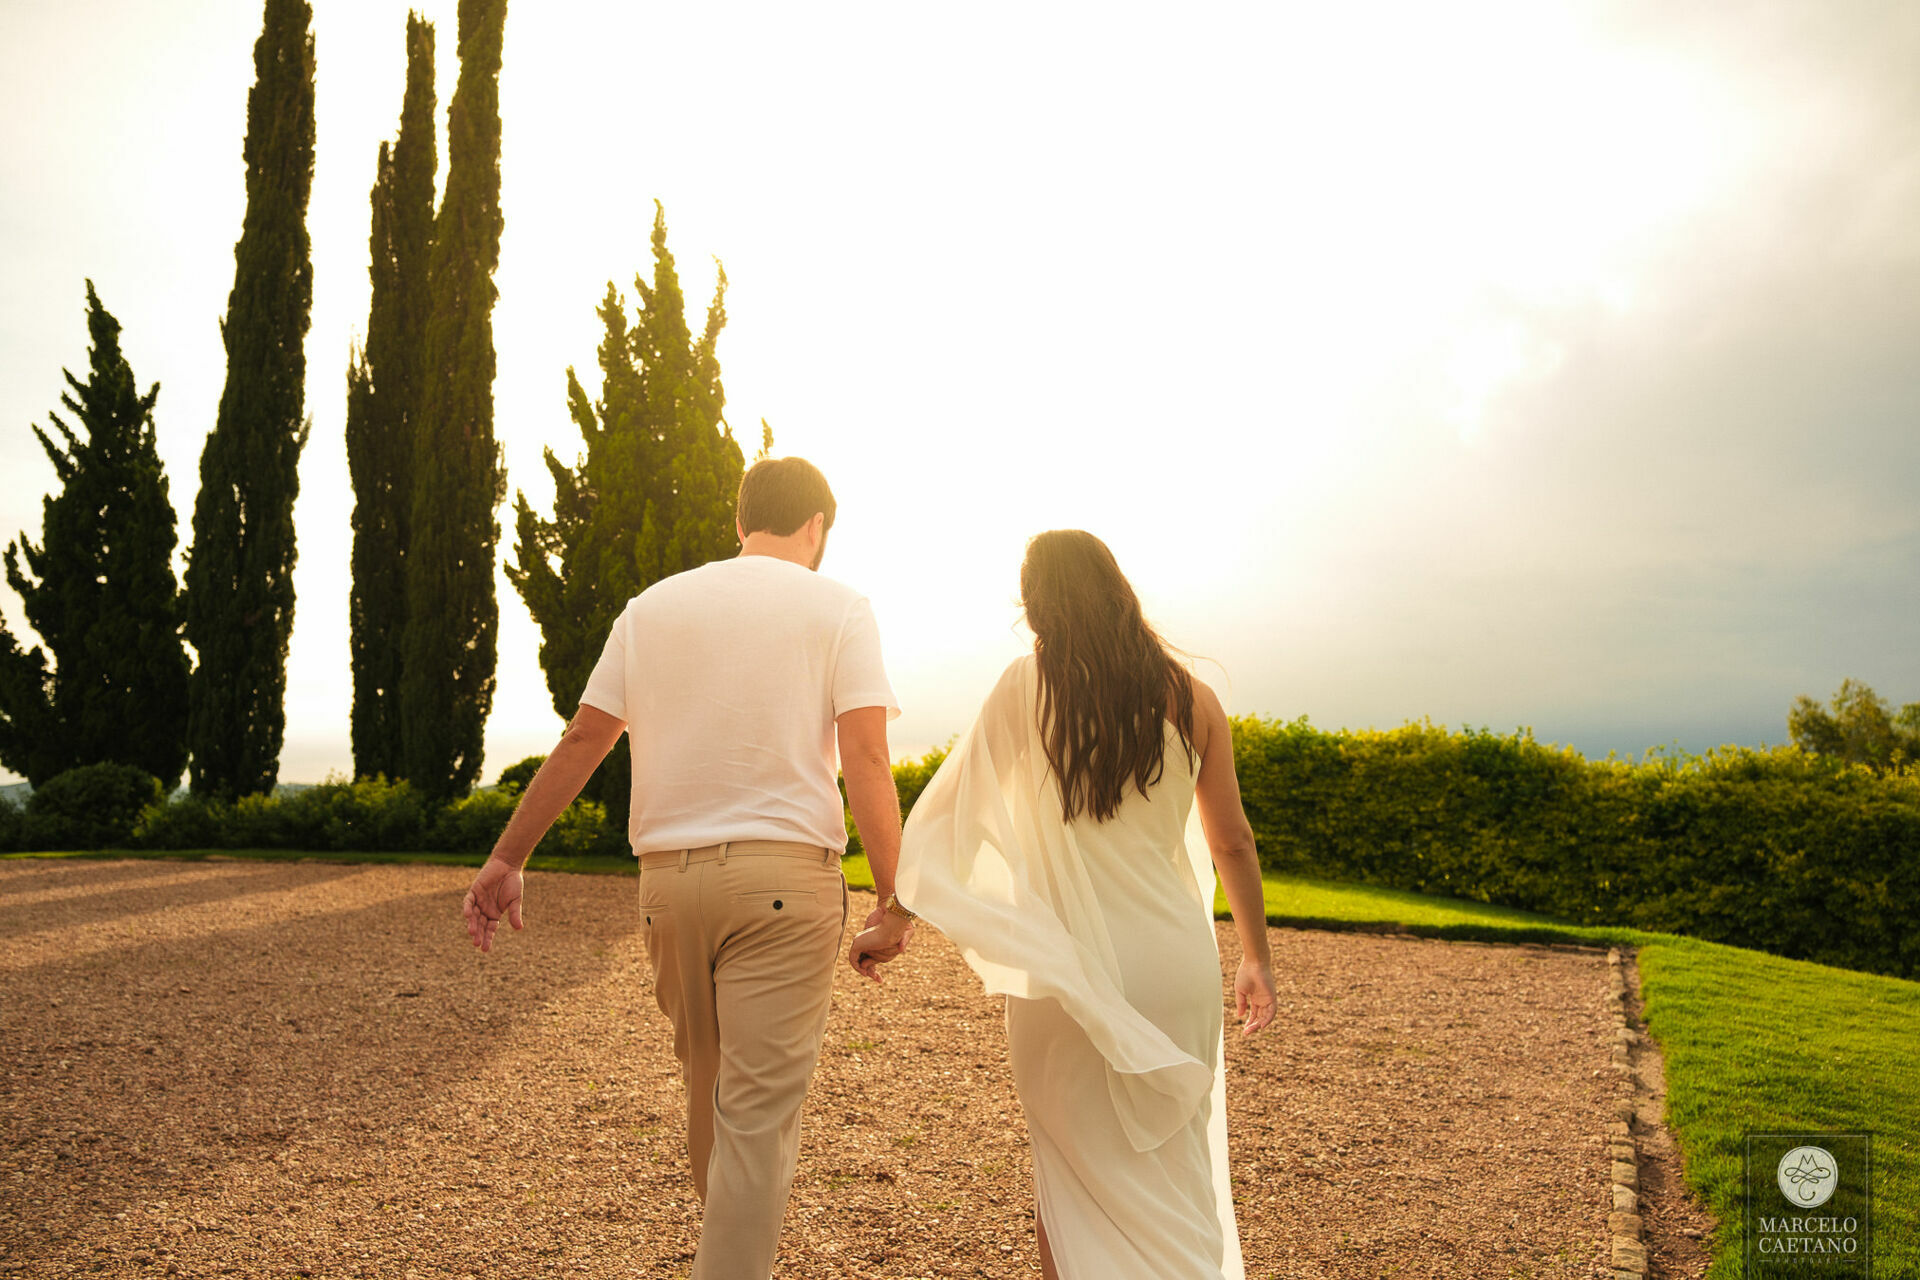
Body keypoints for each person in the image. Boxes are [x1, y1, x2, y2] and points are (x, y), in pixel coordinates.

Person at [464, 455, 914, 1280]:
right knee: (753, 1121)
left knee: (711, 1102)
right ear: (816, 527)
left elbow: (584, 739)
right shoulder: (840, 606)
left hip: (667, 887)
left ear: (740, 521)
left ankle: (728, 1255)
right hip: (783, 882)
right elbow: (867, 757)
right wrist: (895, 897)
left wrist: (507, 856)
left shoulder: (653, 608)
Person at [852, 528, 1276, 1280]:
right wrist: (1255, 958)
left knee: (1069, 1173)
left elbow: (951, 818)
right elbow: (1233, 842)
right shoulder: (1192, 697)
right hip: (1173, 963)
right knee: (1177, 1167)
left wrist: (897, 916)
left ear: (1036, 605)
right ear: (1119, 588)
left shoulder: (1025, 686)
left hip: (1062, 966)